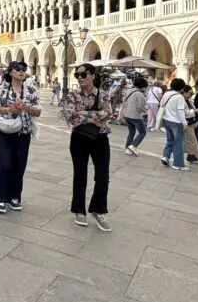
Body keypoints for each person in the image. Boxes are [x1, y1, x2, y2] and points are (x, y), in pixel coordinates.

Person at [62, 65, 113, 230]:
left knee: (103, 176)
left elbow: (109, 114)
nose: (80, 77)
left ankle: (98, 210)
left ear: (93, 75)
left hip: (100, 138)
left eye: (83, 74)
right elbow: (70, 115)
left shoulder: (103, 94)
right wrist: (95, 119)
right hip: (79, 138)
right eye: (77, 74)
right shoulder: (73, 94)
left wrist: (84, 114)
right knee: (80, 174)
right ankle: (79, 210)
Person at [0, 60, 41, 215]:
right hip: (5, 131)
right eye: (18, 69)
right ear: (10, 72)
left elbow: (38, 111)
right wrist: (9, 109)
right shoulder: (2, 88)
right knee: (4, 163)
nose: (21, 71)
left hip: (23, 132)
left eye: (24, 69)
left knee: (19, 165)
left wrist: (25, 107)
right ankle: (0, 198)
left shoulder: (31, 89)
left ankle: (14, 196)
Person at [158, 77, 188, 171]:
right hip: (176, 122)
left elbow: (162, 105)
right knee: (179, 143)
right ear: (182, 88)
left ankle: (165, 156)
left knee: (170, 140)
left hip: (166, 120)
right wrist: (184, 123)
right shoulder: (179, 97)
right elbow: (180, 111)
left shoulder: (166, 94)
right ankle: (178, 164)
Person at [120, 75, 148, 155]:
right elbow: (140, 107)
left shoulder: (128, 91)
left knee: (131, 132)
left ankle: (127, 148)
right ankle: (133, 146)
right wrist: (145, 111)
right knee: (142, 132)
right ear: (142, 86)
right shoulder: (140, 94)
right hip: (136, 116)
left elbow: (123, 100)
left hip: (127, 114)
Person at [182, 86, 198, 166]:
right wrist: (196, 110)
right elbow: (185, 113)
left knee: (189, 142)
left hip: (190, 123)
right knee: (193, 142)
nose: (191, 95)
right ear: (184, 92)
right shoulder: (182, 101)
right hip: (187, 124)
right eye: (190, 93)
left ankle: (168, 157)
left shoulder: (188, 100)